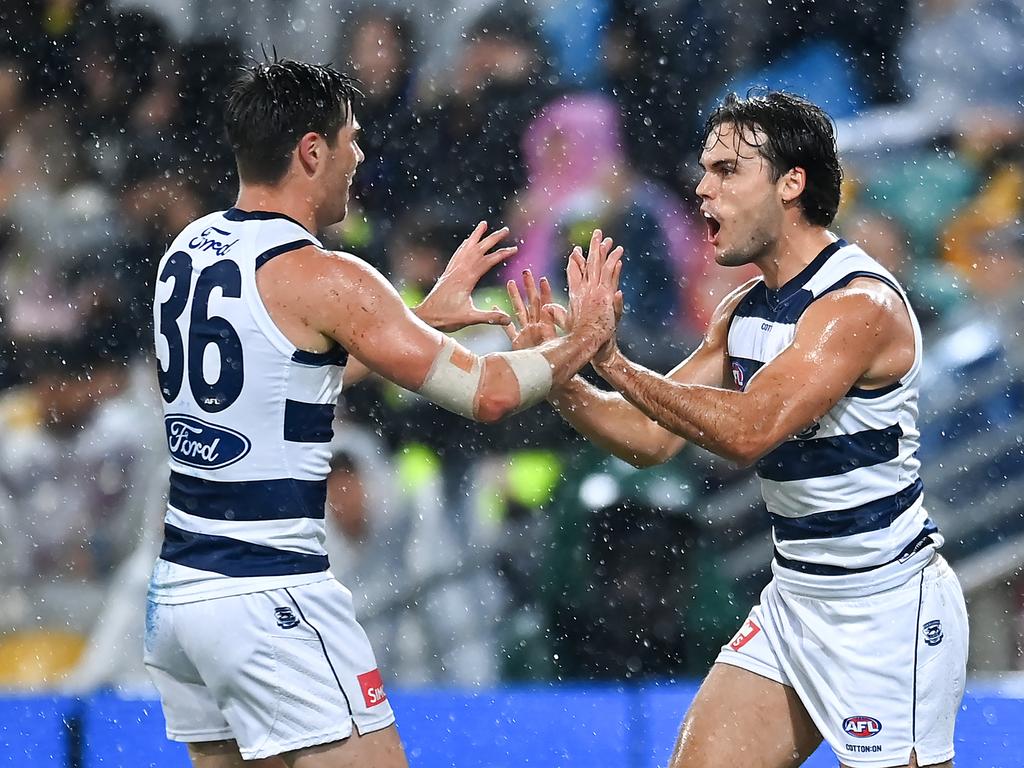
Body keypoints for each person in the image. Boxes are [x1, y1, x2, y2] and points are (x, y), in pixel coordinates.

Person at [143, 58, 623, 768]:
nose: (359, 157)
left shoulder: (187, 249)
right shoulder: (331, 276)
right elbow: (489, 393)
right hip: (271, 589)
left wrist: (416, 320)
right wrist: (582, 340)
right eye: (352, 139)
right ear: (312, 150)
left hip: (181, 597)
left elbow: (287, 368)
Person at [507, 91, 968, 768]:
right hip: (795, 601)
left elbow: (751, 429)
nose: (702, 187)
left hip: (887, 612)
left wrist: (611, 358)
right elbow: (651, 439)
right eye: (705, 169)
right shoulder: (743, 311)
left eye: (726, 170)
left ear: (791, 183)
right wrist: (563, 379)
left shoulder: (857, 304)